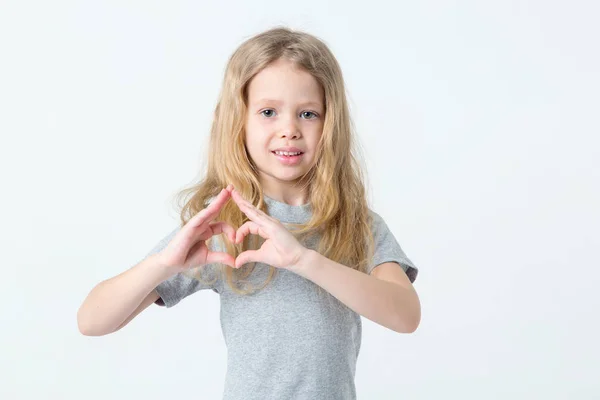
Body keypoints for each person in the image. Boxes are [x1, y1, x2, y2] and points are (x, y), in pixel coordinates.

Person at [77, 26, 421, 400]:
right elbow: (92, 320)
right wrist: (164, 265)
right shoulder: (226, 226)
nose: (289, 129)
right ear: (238, 121)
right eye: (268, 112)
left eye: (308, 113)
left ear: (330, 123)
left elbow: (405, 315)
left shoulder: (355, 223)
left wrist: (305, 260)